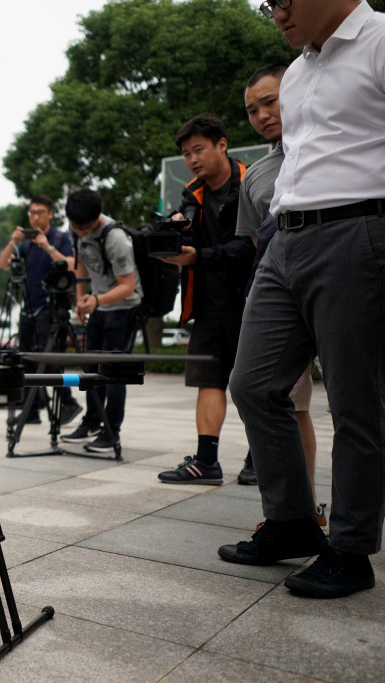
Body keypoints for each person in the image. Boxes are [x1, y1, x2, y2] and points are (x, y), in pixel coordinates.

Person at [221, 0, 383, 599]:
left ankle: (352, 547)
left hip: (357, 230)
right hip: (284, 240)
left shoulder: (379, 41)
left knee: (357, 402)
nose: (276, 12)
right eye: (268, 4)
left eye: (283, 0)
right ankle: (291, 520)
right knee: (253, 382)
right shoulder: (296, 71)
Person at [232, 63, 321, 522]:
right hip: (281, 293)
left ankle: (348, 524)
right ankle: (296, 513)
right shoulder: (257, 174)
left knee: (357, 405)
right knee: (285, 401)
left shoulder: (334, 147)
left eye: (270, 101)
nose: (263, 114)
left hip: (339, 280)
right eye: (252, 109)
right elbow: (256, 243)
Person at [156, 115, 255, 485]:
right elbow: (191, 240)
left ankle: (258, 457)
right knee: (209, 380)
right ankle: (206, 461)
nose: (192, 159)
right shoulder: (192, 192)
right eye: (186, 154)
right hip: (209, 301)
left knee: (254, 384)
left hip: (253, 298)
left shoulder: (251, 183)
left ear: (222, 145)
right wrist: (174, 231)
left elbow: (249, 248)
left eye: (198, 149)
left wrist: (199, 256)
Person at [60, 188, 142, 453]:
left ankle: (111, 431)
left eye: (85, 227)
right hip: (99, 308)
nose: (81, 232)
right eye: (76, 227)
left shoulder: (116, 238)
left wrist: (96, 300)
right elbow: (81, 266)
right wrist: (81, 300)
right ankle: (92, 422)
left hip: (124, 309)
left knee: (114, 373)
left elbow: (128, 286)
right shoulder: (76, 231)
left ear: (96, 218)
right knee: (92, 371)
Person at [0, 195, 82, 426]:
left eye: (40, 212)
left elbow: (72, 265)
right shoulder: (25, 245)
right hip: (29, 308)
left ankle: (67, 402)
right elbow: (3, 264)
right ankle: (31, 409)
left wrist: (48, 247)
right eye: (32, 213)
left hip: (52, 307)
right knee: (26, 361)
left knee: (51, 360)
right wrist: (12, 242)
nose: (35, 217)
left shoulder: (60, 237)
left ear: (50, 214)